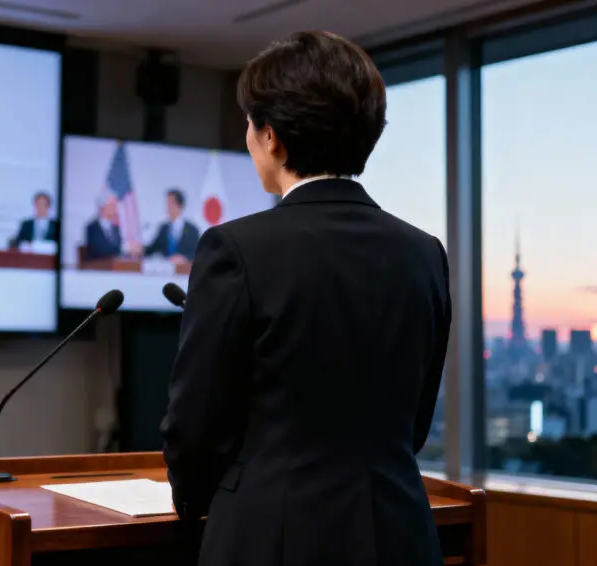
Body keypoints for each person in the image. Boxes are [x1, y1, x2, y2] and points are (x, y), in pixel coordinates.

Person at [160, 31, 450, 566]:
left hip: (273, 537)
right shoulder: (424, 252)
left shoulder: (234, 248)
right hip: (400, 532)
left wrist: (198, 503)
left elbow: (196, 425)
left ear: (271, 137)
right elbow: (413, 422)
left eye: (249, 124)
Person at [143, 188, 200, 264]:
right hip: (166, 272)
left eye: (171, 203)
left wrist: (185, 258)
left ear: (179, 205)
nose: (168, 207)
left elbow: (198, 253)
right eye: (167, 204)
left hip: (184, 273)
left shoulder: (192, 230)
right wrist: (140, 250)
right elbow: (152, 249)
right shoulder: (164, 228)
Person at [83, 193, 123, 260]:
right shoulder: (92, 228)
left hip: (115, 266)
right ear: (102, 208)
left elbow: (119, 248)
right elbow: (99, 250)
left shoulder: (116, 228)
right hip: (98, 266)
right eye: (112, 206)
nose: (115, 209)